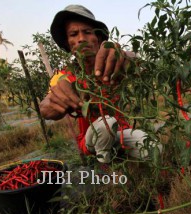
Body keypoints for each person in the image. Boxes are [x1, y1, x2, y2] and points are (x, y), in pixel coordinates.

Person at [40, 5, 162, 163]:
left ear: (98, 38)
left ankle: (118, 152)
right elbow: (46, 104)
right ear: (68, 43)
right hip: (92, 137)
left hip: (120, 131)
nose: (81, 39)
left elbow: (145, 65)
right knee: (106, 123)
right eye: (73, 34)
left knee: (154, 149)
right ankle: (105, 163)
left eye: (87, 32)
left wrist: (126, 56)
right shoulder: (64, 76)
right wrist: (50, 104)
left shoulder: (113, 62)